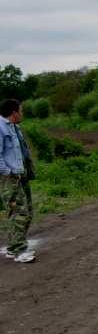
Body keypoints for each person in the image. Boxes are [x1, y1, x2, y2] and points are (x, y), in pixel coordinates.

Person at [0, 99, 36, 263]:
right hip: (9, 177)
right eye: (20, 110)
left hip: (20, 175)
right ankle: (19, 251)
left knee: (27, 211)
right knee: (19, 213)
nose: (22, 113)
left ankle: (13, 247)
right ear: (14, 112)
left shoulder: (15, 127)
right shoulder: (0, 127)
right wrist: (8, 172)